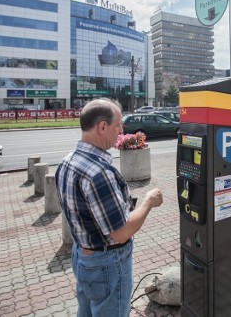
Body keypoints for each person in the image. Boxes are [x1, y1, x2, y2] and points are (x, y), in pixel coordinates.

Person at [55, 98, 163, 317]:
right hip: (106, 264)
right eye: (118, 125)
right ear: (102, 127)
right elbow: (121, 232)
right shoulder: (98, 172)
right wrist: (148, 202)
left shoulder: (67, 161)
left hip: (82, 256)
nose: (121, 130)